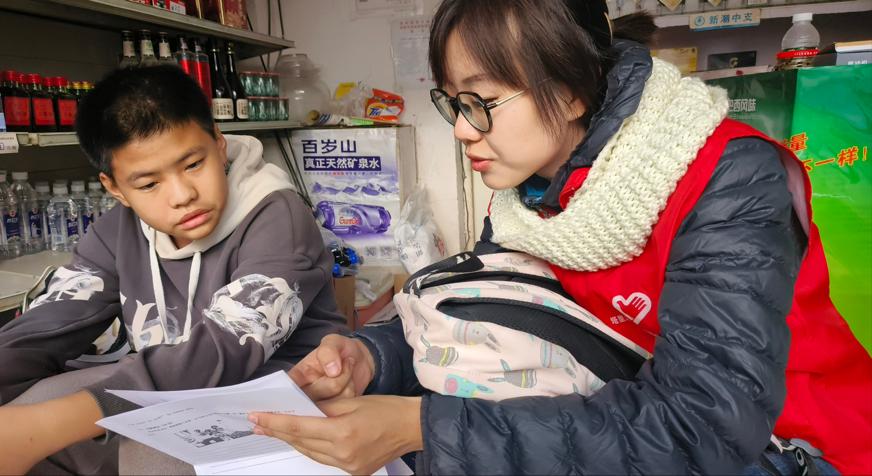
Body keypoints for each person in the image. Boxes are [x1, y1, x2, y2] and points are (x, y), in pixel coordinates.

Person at [248, 1, 872, 475]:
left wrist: (423, 427)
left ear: (571, 92)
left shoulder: (727, 179)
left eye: (482, 101)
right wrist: (371, 358)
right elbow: (483, 312)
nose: (462, 130)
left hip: (788, 447)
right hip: (621, 412)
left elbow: (701, 427)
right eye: (454, 102)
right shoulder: (529, 190)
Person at [0, 65, 346, 474]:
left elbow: (227, 346)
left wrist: (53, 424)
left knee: (148, 450)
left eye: (193, 164)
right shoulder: (115, 231)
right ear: (115, 188)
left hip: (287, 397)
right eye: (149, 184)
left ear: (218, 144)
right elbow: (52, 320)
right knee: (31, 403)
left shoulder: (277, 215)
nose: (183, 196)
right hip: (172, 394)